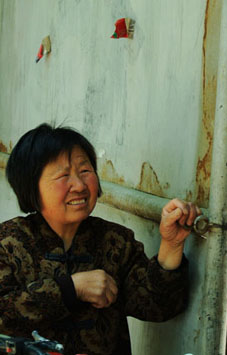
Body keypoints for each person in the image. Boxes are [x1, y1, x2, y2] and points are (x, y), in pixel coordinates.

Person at [0, 123, 201, 355]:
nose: (79, 185)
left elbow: (157, 307)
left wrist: (172, 244)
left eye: (85, 171)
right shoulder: (8, 242)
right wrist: (71, 289)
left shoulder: (115, 241)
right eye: (63, 175)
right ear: (31, 187)